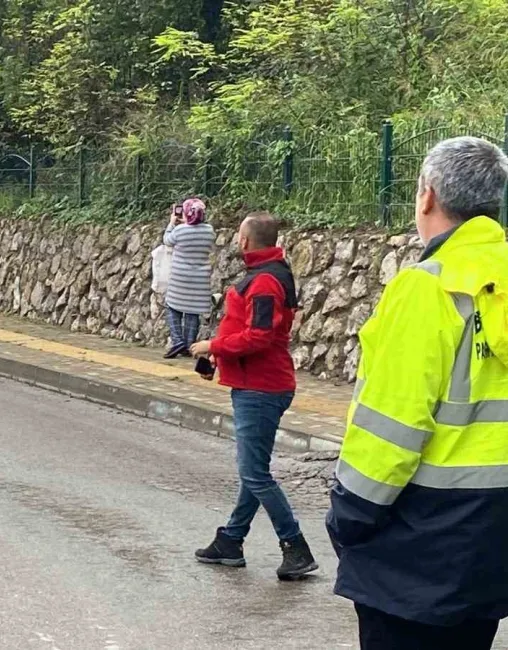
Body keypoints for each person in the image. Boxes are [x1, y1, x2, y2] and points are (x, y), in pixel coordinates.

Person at [327, 136, 508, 649]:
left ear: (426, 195)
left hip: (418, 543)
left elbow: (391, 428)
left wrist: (349, 515)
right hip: (492, 540)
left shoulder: (427, 288)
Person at [189, 212, 318, 580]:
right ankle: (231, 540)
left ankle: (296, 547)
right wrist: (221, 352)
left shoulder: (264, 282)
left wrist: (213, 344)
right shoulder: (271, 273)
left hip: (261, 387)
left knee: (254, 473)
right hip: (258, 383)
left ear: (245, 241)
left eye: (238, 235)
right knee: (254, 471)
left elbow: (259, 337)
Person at [162, 198, 216, 359]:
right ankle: (189, 344)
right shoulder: (209, 230)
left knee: (172, 307)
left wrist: (172, 223)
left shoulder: (179, 230)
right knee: (193, 312)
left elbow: (167, 240)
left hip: (180, 277)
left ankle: (178, 341)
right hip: (200, 278)